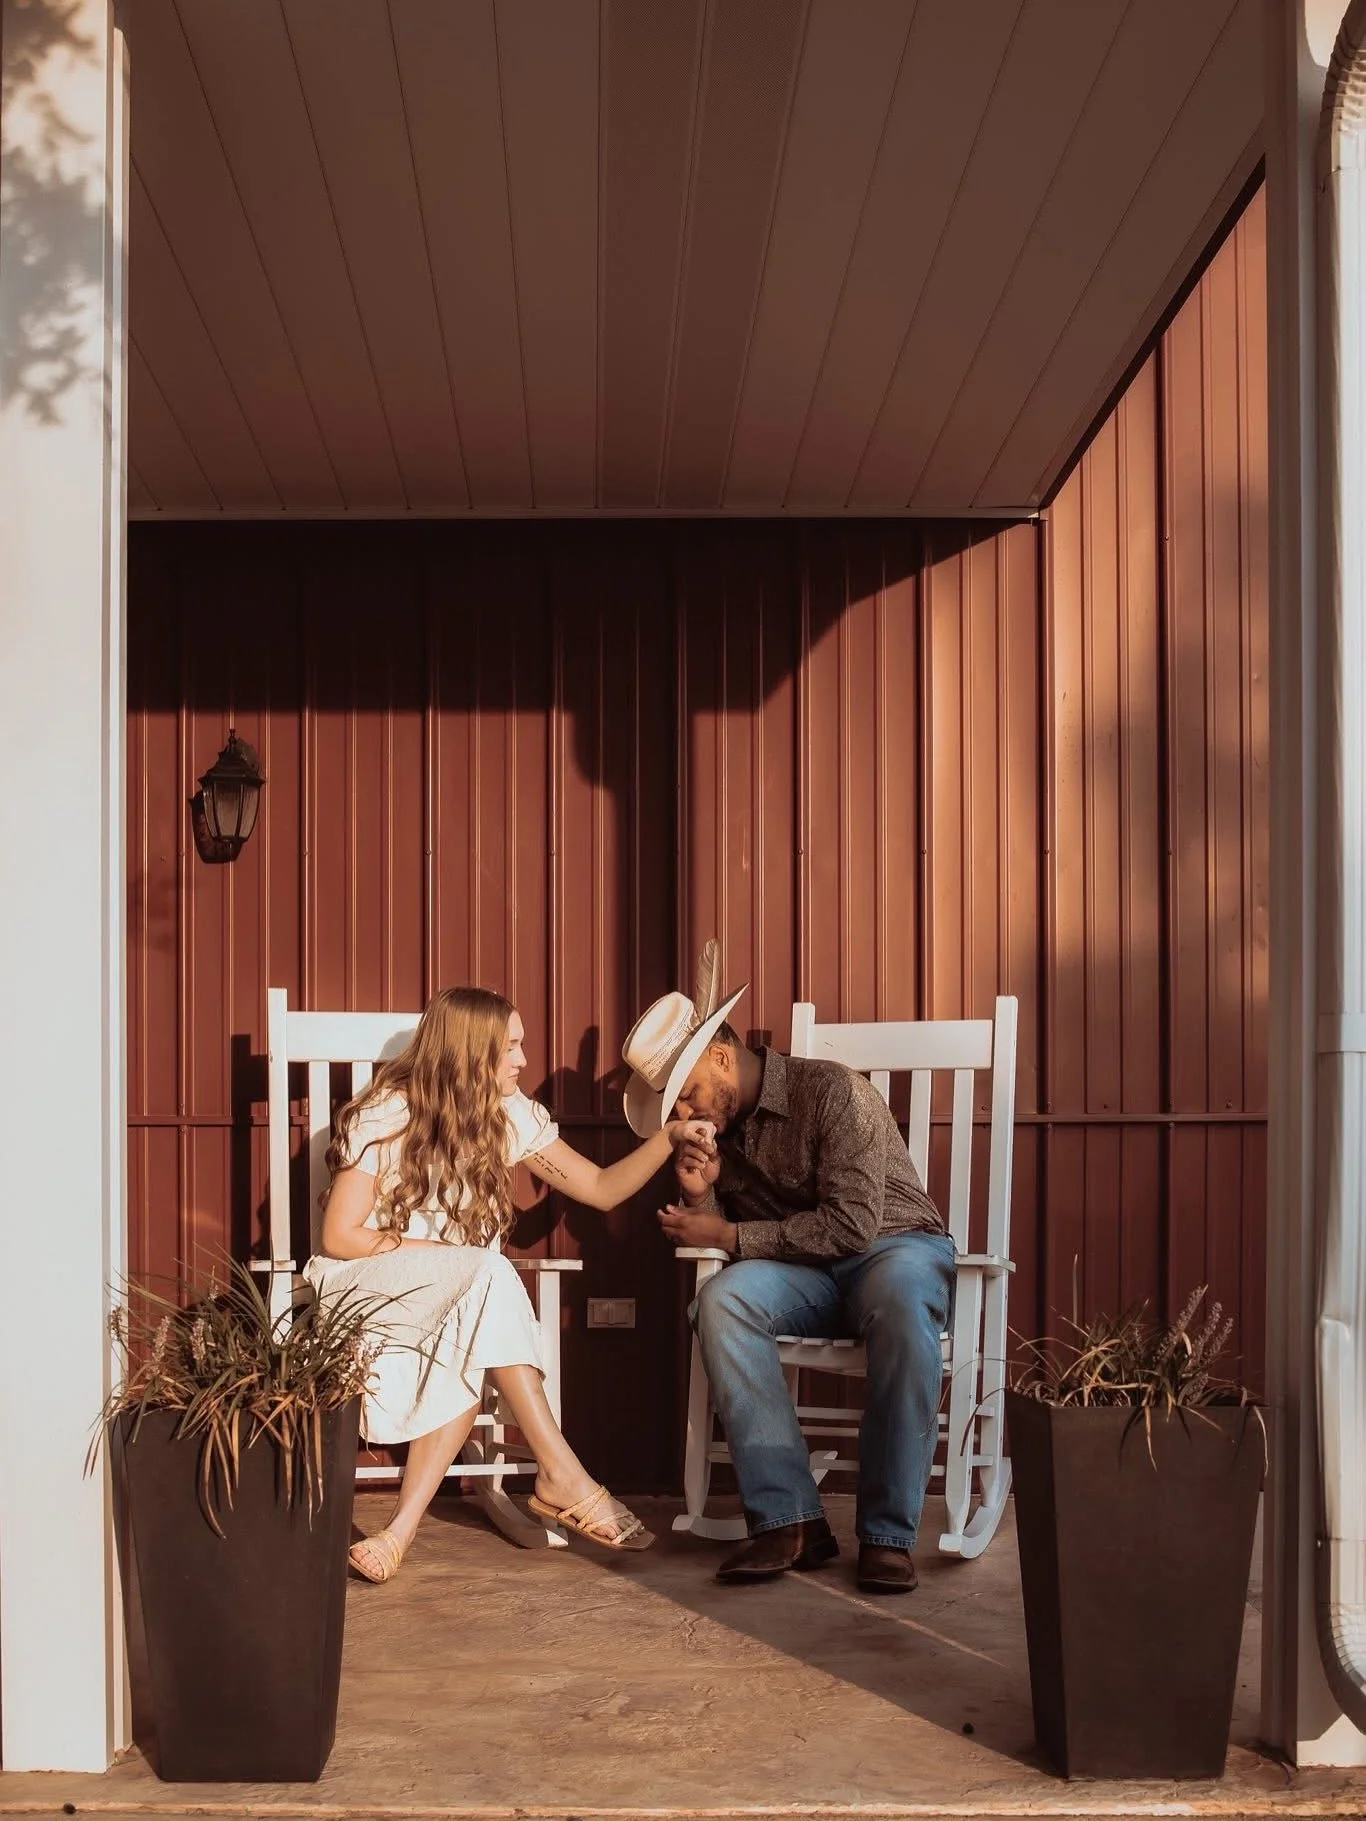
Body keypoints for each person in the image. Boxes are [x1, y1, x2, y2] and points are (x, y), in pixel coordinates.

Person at [309, 984, 714, 1582]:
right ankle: (562, 1471)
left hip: (464, 1295)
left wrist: (669, 1139)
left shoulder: (510, 1115)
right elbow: (340, 1236)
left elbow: (600, 1189)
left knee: (478, 1315)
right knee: (485, 1274)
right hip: (369, 1286)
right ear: (470, 1053)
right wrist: (448, 1255)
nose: (524, 1060)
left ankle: (397, 1534)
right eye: (511, 1047)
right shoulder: (389, 1112)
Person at [619, 942, 955, 1593]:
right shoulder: (722, 1130)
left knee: (901, 1299)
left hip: (893, 1247)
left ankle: (887, 1535)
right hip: (806, 1275)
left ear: (721, 1056)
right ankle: (791, 1521)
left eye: (686, 1096)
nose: (683, 1117)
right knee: (721, 1301)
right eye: (675, 1107)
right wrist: (702, 1195)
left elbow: (852, 1225)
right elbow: (741, 1241)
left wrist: (727, 1231)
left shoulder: (831, 1089)